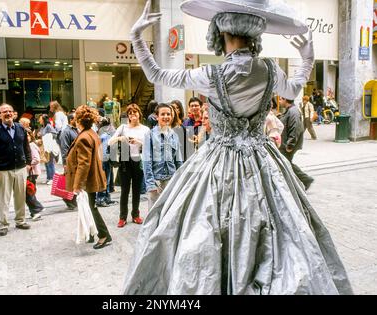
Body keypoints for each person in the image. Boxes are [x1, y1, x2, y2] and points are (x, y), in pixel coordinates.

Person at [122, 0, 352, 295]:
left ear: (219, 32)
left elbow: (157, 75)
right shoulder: (269, 71)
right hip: (262, 161)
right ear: (255, 35)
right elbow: (294, 89)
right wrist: (307, 56)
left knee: (199, 224)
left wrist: (137, 39)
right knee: (284, 225)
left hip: (216, 164)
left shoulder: (209, 76)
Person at [65, 105, 112, 250]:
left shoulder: (84, 136)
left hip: (87, 179)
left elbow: (84, 164)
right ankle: (91, 233)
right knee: (88, 206)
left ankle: (104, 235)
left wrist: (77, 185)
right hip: (92, 177)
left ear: (79, 119)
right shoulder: (91, 133)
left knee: (91, 207)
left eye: (75, 117)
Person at [0, 104, 32, 237]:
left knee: (20, 196)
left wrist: (28, 163)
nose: (7, 113)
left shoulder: (20, 128)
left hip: (20, 168)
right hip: (3, 169)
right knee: (4, 199)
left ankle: (20, 220)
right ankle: (3, 224)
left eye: (9, 111)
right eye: (4, 112)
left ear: (14, 113)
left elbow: (26, 146)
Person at [109, 104, 149, 228]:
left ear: (139, 114)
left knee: (137, 190)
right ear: (128, 116)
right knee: (124, 191)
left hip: (138, 160)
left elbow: (150, 146)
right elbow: (110, 141)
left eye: (135, 112)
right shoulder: (123, 127)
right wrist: (121, 138)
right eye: (130, 113)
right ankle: (122, 217)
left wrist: (139, 142)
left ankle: (135, 215)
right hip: (125, 161)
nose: (133, 115)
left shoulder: (145, 129)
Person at [143, 104, 183, 210]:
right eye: (163, 114)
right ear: (157, 116)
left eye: (168, 114)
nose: (166, 116)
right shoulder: (150, 135)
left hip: (171, 180)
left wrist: (180, 179)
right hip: (156, 181)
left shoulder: (174, 135)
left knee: (169, 213)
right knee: (154, 214)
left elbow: (178, 161)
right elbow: (147, 161)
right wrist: (151, 184)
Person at [279, 97, 315, 190]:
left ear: (285, 100)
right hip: (286, 143)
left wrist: (290, 144)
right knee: (286, 163)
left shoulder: (293, 112)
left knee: (286, 163)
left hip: (288, 145)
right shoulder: (289, 111)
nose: (279, 101)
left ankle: (305, 179)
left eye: (280, 99)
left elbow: (295, 129)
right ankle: (304, 180)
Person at [59, 113, 79, 210]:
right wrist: (65, 163)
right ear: (71, 120)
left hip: (77, 160)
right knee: (70, 182)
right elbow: (64, 148)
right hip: (70, 161)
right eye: (76, 119)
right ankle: (68, 199)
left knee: (75, 181)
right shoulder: (66, 132)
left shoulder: (76, 130)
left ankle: (73, 200)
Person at [26, 131, 44, 221]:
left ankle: (36, 210)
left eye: (28, 135)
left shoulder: (31, 145)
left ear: (31, 136)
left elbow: (37, 159)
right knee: (29, 191)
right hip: (30, 172)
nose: (26, 137)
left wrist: (27, 164)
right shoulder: (27, 145)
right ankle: (33, 212)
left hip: (32, 173)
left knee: (29, 191)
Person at [38, 114, 58, 185]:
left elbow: (55, 134)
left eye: (40, 119)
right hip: (45, 147)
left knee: (50, 163)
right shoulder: (42, 127)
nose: (39, 120)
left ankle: (52, 178)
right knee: (46, 163)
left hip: (50, 147)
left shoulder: (48, 126)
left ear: (43, 119)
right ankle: (48, 178)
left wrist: (46, 136)